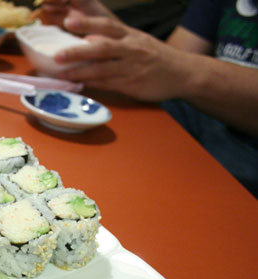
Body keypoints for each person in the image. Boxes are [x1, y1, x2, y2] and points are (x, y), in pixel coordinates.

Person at [39, 0, 258, 198]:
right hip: (196, 118)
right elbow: (173, 59)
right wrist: (111, 37)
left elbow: (179, 68)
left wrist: (182, 70)